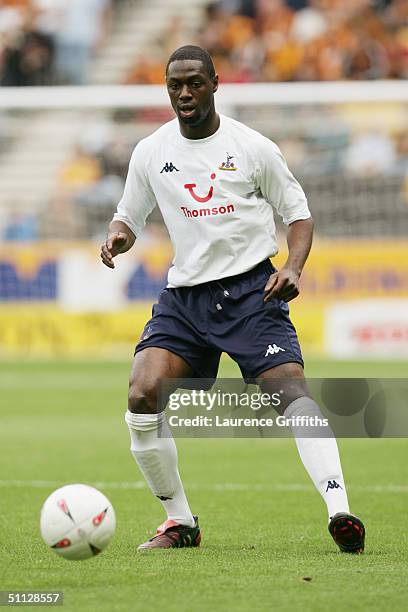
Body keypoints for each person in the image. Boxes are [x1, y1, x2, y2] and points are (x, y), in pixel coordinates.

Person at [100, 45, 365, 553]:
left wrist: (293, 266)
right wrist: (117, 237)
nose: (184, 93)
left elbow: (299, 215)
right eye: (175, 85)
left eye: (195, 83)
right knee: (141, 394)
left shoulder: (252, 147)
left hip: (250, 293)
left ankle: (340, 511)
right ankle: (180, 523)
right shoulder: (151, 151)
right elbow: (129, 217)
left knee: (291, 392)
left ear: (216, 84)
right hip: (186, 299)